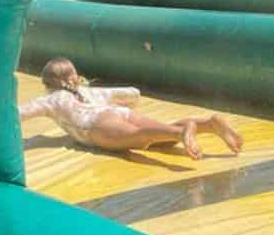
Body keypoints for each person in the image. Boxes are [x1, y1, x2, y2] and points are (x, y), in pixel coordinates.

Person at [18, 57, 242, 160]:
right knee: (159, 134)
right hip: (118, 112)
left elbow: (21, 113)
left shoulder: (52, 99)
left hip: (94, 126)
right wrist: (130, 98)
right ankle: (209, 124)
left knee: (139, 137)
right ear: (74, 76)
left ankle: (181, 132)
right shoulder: (90, 92)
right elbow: (131, 93)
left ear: (47, 84)